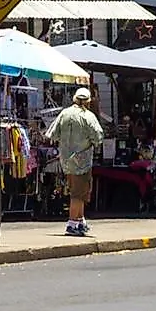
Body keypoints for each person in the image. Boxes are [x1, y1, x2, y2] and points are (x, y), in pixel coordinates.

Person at [53, 86, 104, 237]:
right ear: (88, 101)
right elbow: (98, 137)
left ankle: (80, 220)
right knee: (79, 193)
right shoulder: (88, 116)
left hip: (66, 160)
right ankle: (72, 223)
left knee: (76, 191)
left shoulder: (64, 113)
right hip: (81, 160)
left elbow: (53, 134)